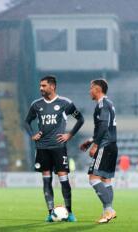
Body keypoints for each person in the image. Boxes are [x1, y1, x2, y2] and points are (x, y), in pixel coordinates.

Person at [24, 75, 84, 222]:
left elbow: (80, 119)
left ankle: (69, 212)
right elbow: (26, 121)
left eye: (44, 86)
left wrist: (69, 134)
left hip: (58, 147)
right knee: (46, 181)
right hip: (42, 147)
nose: (41, 88)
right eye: (40, 86)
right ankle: (51, 213)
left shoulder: (65, 103)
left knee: (64, 180)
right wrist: (32, 134)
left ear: (52, 86)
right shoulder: (36, 105)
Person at [79, 79, 118, 224]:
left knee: (93, 178)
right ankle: (107, 212)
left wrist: (95, 145)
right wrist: (90, 141)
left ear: (98, 89)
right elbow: (105, 127)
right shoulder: (109, 104)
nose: (90, 91)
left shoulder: (102, 104)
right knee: (105, 180)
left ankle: (109, 210)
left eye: (91, 88)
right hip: (112, 145)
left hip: (105, 145)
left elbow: (103, 127)